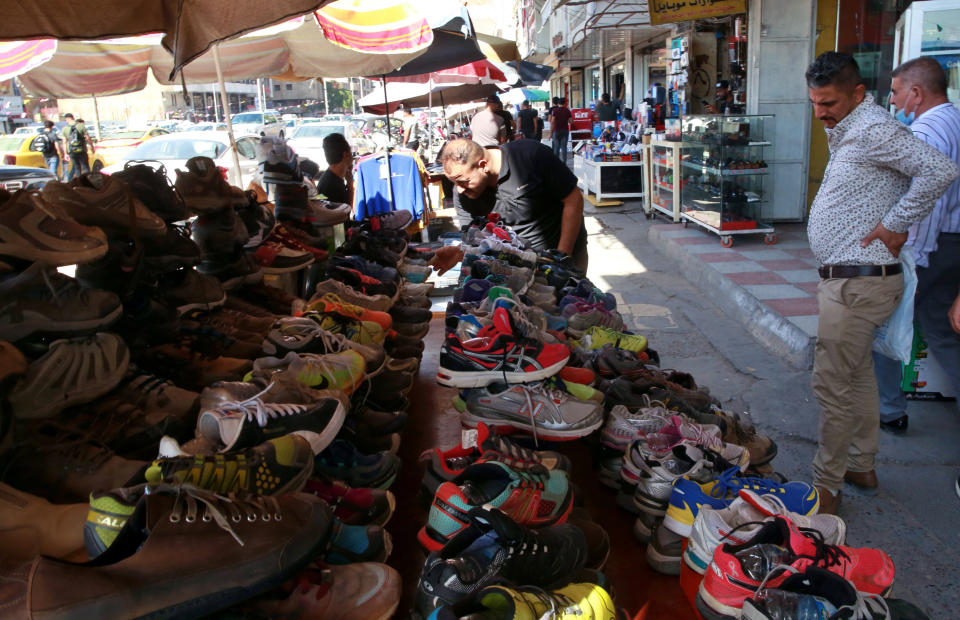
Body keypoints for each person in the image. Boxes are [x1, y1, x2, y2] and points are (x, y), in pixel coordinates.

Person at [805, 51, 958, 514]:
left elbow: (941, 170)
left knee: (832, 384)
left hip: (858, 282)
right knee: (858, 375)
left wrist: (896, 223)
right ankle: (861, 464)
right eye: (814, 102)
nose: (820, 113)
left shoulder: (874, 128)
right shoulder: (851, 128)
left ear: (857, 94)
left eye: (828, 102)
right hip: (854, 278)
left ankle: (825, 488)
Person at [872, 56, 960, 435]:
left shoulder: (928, 133)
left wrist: (912, 264)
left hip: (932, 248)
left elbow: (929, 203)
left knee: (883, 327)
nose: (892, 102)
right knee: (940, 331)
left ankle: (890, 411)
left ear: (916, 92)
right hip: (952, 245)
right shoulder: (955, 119)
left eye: (895, 92)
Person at [433, 138, 588, 275]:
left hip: (563, 248)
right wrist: (460, 252)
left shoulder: (530, 156)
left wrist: (561, 258)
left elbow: (573, 200)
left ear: (483, 165)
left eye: (463, 181)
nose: (459, 189)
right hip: (511, 264)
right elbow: (474, 238)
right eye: (454, 182)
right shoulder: (462, 193)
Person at [315, 133, 354, 206]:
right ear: (345, 154)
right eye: (351, 151)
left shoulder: (332, 178)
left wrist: (349, 183)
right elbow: (346, 211)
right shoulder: (331, 185)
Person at [61, 114, 91, 181]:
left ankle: (79, 183)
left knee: (77, 167)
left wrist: (65, 153)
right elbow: (87, 137)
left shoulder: (64, 129)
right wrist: (91, 146)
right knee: (85, 167)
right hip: (82, 149)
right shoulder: (81, 126)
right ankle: (88, 182)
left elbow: (64, 142)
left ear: (67, 119)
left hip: (72, 151)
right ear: (73, 118)